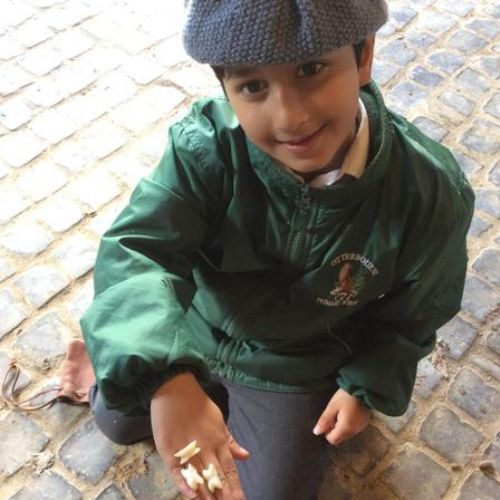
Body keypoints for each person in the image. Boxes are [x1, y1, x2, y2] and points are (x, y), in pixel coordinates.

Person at [80, 1, 474, 499]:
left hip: (294, 364)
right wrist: (165, 378)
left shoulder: (428, 190)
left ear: (364, 55)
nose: (290, 117)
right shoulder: (205, 147)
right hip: (196, 326)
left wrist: (364, 385)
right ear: (224, 89)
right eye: (253, 87)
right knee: (114, 418)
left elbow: (417, 312)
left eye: (311, 70)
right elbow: (140, 250)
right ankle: (147, 364)